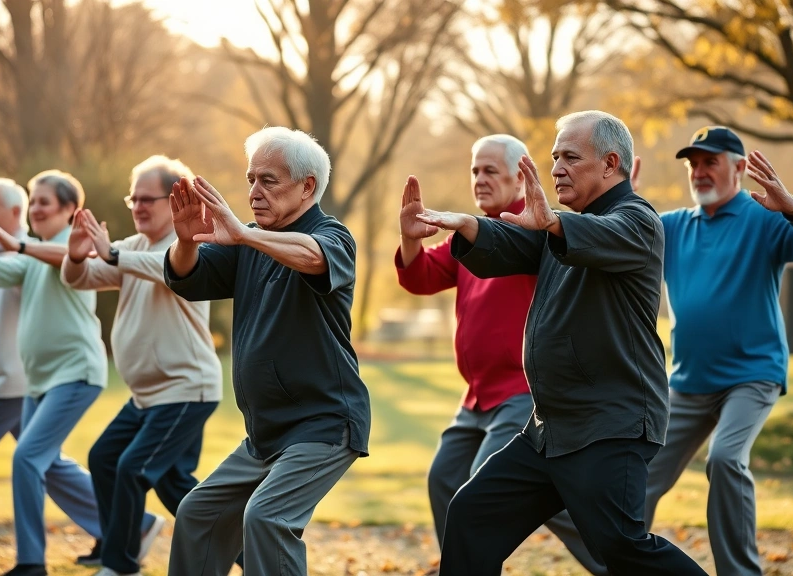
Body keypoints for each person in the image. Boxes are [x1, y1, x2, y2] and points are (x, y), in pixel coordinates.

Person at [414, 110, 707, 575]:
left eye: (570, 157)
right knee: (472, 514)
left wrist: (552, 224)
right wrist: (466, 225)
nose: (555, 169)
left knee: (621, 548)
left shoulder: (637, 222)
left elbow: (593, 236)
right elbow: (508, 245)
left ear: (611, 164)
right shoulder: (561, 228)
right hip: (549, 430)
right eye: (554, 158)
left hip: (611, 425)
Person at [395, 134, 607, 575]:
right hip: (476, 397)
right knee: (446, 479)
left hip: (520, 392)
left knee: (480, 489)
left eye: (490, 170)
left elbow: (581, 253)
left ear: (520, 175)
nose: (480, 178)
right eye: (475, 170)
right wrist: (411, 239)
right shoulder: (472, 233)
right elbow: (420, 278)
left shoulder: (533, 233)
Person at [163, 127, 371, 576]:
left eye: (269, 181)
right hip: (265, 434)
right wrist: (184, 240)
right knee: (198, 515)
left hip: (324, 423)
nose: (254, 192)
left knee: (268, 518)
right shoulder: (249, 241)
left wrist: (244, 234)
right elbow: (187, 277)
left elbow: (314, 257)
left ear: (307, 187)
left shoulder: (331, 235)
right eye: (250, 179)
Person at [639, 127, 793, 575]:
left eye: (710, 161)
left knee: (726, 459)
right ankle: (625, 564)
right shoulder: (671, 226)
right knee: (638, 475)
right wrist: (621, 203)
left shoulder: (764, 217)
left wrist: (791, 207)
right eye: (693, 163)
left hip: (752, 374)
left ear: (738, 167)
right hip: (688, 382)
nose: (700, 171)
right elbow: (624, 238)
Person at [0, 170, 106, 576]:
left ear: (69, 210)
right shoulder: (31, 253)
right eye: (34, 200)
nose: (38, 207)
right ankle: (131, 528)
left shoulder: (75, 245)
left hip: (75, 374)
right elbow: (1, 270)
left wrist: (18, 244)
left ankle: (30, 563)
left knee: (27, 459)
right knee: (44, 463)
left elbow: (71, 261)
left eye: (46, 201)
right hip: (40, 380)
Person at [60, 156, 224, 576]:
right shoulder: (130, 249)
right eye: (132, 197)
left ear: (173, 201)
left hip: (187, 390)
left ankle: (118, 564)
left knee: (132, 469)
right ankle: (246, 553)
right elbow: (81, 279)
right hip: (148, 397)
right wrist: (77, 257)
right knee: (140, 473)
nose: (136, 206)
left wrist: (111, 253)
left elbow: (165, 268)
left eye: (146, 198)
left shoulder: (190, 245)